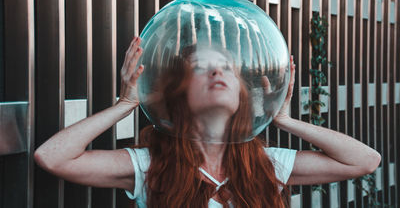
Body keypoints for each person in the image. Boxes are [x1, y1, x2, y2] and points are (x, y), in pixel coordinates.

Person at [34, 36, 381, 208]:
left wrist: (284, 120)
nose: (216, 71)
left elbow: (366, 160)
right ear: (179, 92)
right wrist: (126, 103)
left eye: (226, 66)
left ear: (241, 95)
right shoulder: (149, 166)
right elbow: (52, 157)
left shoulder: (267, 164)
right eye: (200, 67)